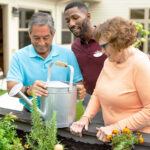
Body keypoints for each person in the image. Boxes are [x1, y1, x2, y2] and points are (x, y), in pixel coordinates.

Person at [70, 16, 150, 142]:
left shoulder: (140, 64)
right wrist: (85, 117)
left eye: (104, 46)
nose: (101, 51)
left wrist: (116, 128)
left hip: (138, 140)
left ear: (118, 42)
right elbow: (97, 94)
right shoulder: (109, 61)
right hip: (111, 135)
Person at [6, 12, 86, 111]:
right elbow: (10, 88)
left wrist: (79, 91)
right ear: (29, 34)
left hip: (62, 112)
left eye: (46, 37)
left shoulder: (67, 54)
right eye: (36, 38)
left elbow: (78, 83)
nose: (41, 43)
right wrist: (28, 90)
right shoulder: (19, 56)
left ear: (53, 34)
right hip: (30, 113)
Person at [64, 1, 106, 124]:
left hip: (113, 101)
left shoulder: (107, 37)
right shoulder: (75, 46)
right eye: (67, 20)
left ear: (88, 16)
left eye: (75, 18)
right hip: (90, 99)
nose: (71, 24)